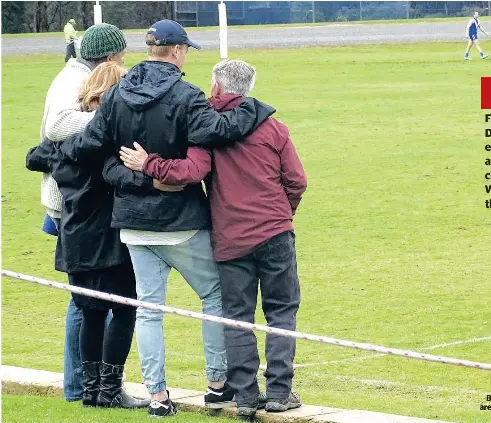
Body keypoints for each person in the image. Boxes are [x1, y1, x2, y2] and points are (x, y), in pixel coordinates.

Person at [56, 19, 276, 417]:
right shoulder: (187, 96)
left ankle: (157, 397)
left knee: (149, 309)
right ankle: (217, 385)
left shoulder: (118, 93)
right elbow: (220, 129)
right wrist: (257, 107)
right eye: (186, 50)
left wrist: (50, 154)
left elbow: (91, 143)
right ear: (176, 51)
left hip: (133, 225)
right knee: (213, 295)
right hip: (180, 223)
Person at [120, 59, 307, 418]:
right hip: (274, 233)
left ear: (217, 87)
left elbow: (190, 172)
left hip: (231, 238)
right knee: (281, 311)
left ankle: (246, 396)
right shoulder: (274, 128)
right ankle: (279, 391)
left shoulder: (206, 130)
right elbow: (296, 181)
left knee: (236, 316)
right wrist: (284, 216)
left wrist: (148, 164)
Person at [28, 61, 152, 409]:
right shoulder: (109, 140)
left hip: (74, 235)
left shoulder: (63, 143)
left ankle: (91, 390)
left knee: (92, 312)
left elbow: (34, 156)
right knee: (125, 309)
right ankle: (110, 389)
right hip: (109, 236)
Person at [37, 22, 127, 404]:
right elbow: (56, 126)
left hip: (73, 203)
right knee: (89, 302)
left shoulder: (77, 75)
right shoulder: (71, 80)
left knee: (90, 300)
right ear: (110, 57)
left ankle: (89, 387)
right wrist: (110, 119)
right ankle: (82, 387)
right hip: (75, 206)